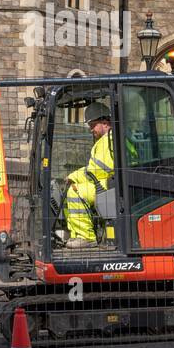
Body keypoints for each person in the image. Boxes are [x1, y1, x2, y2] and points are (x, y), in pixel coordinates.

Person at [61, 102, 116, 248]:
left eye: (93, 125)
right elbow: (94, 170)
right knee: (69, 190)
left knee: (75, 191)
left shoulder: (109, 141)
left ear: (104, 123)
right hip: (106, 181)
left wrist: (74, 176)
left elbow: (95, 171)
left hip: (108, 184)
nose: (91, 129)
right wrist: (74, 176)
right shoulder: (105, 140)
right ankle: (75, 233)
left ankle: (86, 237)